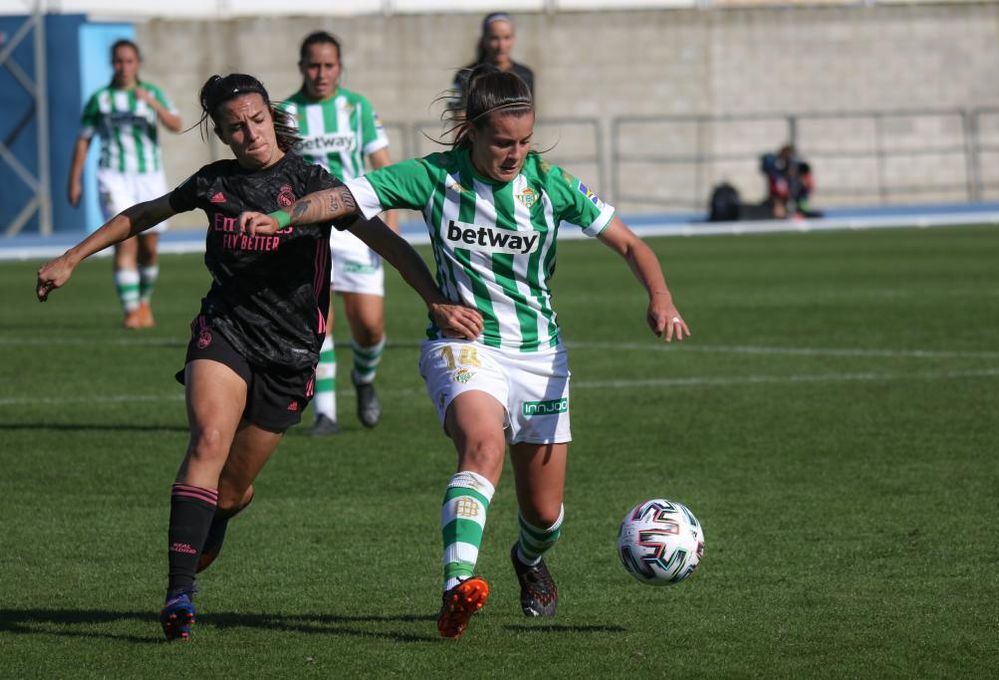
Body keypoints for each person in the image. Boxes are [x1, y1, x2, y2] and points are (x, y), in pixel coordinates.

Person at [238, 67, 691, 640]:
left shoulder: (551, 184)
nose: (515, 153)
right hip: (462, 345)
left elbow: (630, 243)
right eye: (503, 142)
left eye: (525, 142)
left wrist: (660, 296)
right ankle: (457, 588)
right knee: (482, 444)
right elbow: (343, 197)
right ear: (471, 132)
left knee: (545, 517)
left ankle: (528, 560)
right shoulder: (432, 178)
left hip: (540, 357)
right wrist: (281, 217)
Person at [36, 73, 482, 643]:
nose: (248, 134)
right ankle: (178, 596)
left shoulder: (313, 184)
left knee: (232, 489)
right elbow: (144, 213)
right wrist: (73, 257)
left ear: (271, 116)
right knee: (207, 440)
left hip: (292, 352)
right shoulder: (214, 184)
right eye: (234, 128)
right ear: (223, 136)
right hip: (224, 330)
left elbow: (387, 244)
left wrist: (436, 300)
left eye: (255, 120)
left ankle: (217, 515)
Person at [281, 31, 398, 437]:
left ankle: (364, 379)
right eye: (313, 65)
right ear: (301, 67)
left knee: (369, 326)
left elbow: (382, 166)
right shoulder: (286, 114)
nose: (321, 73)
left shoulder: (357, 108)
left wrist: (392, 227)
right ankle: (325, 413)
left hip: (359, 226)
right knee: (319, 321)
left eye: (329, 65)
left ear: (340, 67)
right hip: (309, 231)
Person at [67, 39, 182, 329]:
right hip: (113, 176)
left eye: (129, 61)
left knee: (150, 248)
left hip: (149, 177)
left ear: (138, 64)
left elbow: (176, 124)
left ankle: (144, 304)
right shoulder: (101, 99)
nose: (124, 67)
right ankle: (131, 312)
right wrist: (74, 179)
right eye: (119, 61)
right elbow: (84, 139)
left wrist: (152, 103)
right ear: (112, 63)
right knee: (124, 242)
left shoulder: (152, 93)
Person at [450, 12, 534, 116]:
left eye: (506, 37)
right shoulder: (465, 75)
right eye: (494, 38)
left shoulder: (525, 74)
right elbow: (459, 117)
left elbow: (528, 114)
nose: (501, 45)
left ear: (514, 39)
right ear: (484, 39)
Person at [761, 143, 817, 219]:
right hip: (782, 197)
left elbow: (808, 186)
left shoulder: (799, 175)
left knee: (802, 209)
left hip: (797, 197)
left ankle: (799, 214)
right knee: (780, 207)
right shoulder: (778, 173)